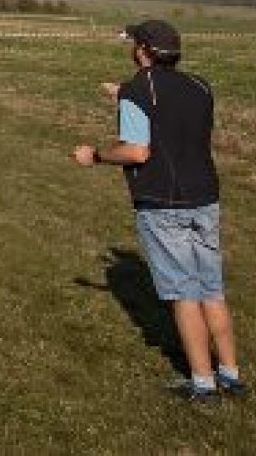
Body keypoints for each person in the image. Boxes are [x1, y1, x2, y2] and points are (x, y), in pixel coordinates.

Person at [73, 20, 246, 403]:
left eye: (135, 43)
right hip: (205, 198)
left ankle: (202, 383)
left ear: (142, 51)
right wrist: (123, 93)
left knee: (184, 293)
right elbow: (170, 110)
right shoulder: (200, 86)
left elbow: (137, 152)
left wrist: (95, 156)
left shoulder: (138, 90)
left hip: (163, 203)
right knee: (211, 289)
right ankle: (231, 373)